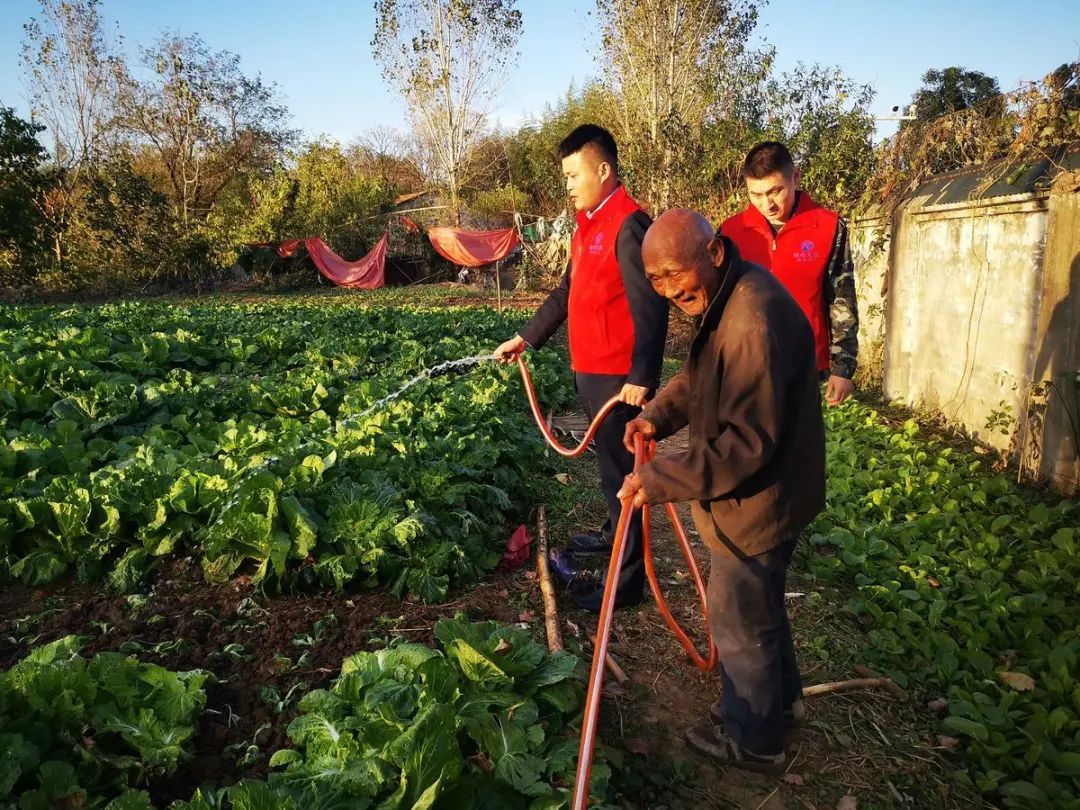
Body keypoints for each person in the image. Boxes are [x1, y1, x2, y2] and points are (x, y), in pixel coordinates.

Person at [617, 209, 825, 772]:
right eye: (653, 279)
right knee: (761, 608)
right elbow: (701, 378)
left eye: (671, 274)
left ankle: (756, 743)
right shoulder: (723, 298)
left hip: (761, 499)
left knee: (740, 619)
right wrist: (657, 416)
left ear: (712, 253)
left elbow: (746, 445)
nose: (664, 289)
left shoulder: (752, 318)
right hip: (761, 493)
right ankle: (781, 707)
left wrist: (659, 478)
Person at [494, 124, 669, 611]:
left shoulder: (630, 224)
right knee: (611, 471)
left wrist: (641, 377)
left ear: (604, 170)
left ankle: (627, 583)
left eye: (574, 175)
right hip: (591, 372)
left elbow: (651, 308)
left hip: (620, 383)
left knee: (624, 477)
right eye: (565, 176)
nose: (568, 184)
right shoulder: (587, 225)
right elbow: (565, 295)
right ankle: (615, 537)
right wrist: (527, 337)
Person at [719, 141, 859, 406]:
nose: (766, 204)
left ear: (795, 177)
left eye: (775, 191)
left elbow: (842, 299)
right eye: (756, 194)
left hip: (807, 368)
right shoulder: (730, 233)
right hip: (745, 368)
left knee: (807, 446)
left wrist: (843, 367)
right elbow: (716, 304)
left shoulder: (828, 226)